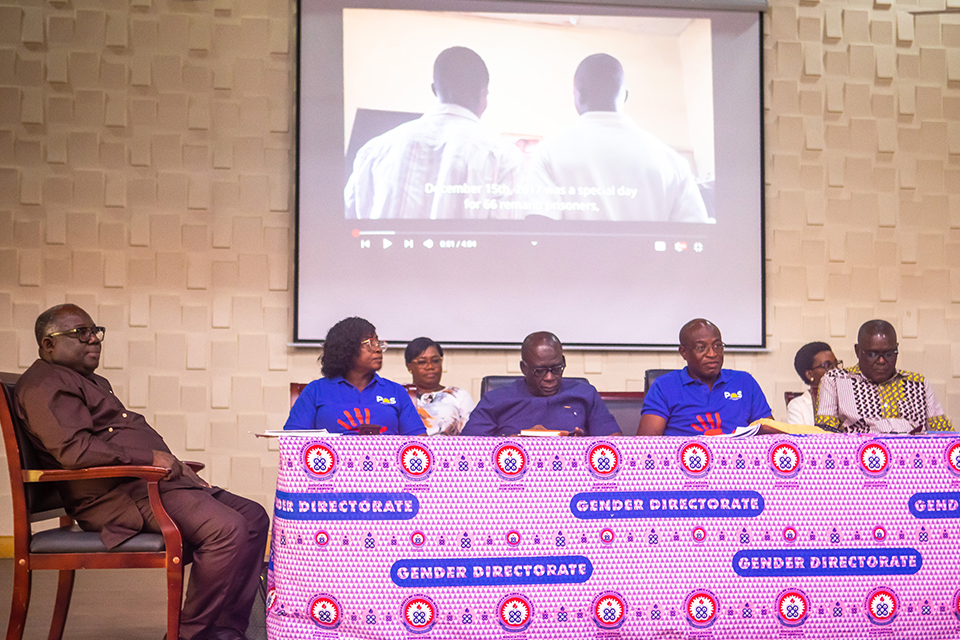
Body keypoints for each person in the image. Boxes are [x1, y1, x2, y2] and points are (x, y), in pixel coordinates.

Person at [14, 304, 268, 640]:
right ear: (48, 344)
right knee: (227, 529)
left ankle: (224, 630)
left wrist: (179, 470)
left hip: (146, 484)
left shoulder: (84, 380)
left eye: (95, 331)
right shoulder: (45, 385)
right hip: (114, 498)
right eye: (80, 333)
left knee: (253, 516)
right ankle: (189, 635)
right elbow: (75, 452)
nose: (94, 339)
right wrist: (149, 457)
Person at [526, 53, 710, 222]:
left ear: (577, 94)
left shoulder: (549, 152)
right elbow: (696, 236)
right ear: (625, 96)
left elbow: (538, 229)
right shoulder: (673, 161)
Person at [344, 46, 523, 220]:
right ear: (484, 93)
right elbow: (505, 241)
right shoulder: (505, 156)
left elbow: (346, 226)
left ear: (434, 89)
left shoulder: (374, 150)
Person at [461, 332, 621, 437]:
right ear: (524, 368)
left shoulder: (585, 394)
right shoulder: (495, 400)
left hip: (573, 478)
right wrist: (508, 444)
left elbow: (616, 445)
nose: (550, 377)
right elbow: (468, 450)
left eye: (557, 368)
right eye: (540, 371)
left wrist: (583, 446)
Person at [285, 317, 426, 435]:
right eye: (370, 343)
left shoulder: (396, 391)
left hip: (386, 467)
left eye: (378, 343)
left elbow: (420, 445)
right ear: (347, 348)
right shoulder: (315, 391)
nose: (378, 349)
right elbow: (293, 443)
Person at [638, 319, 773, 436]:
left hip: (737, 461)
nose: (712, 354)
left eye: (717, 346)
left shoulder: (744, 381)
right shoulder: (664, 386)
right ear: (683, 352)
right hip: (682, 461)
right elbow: (647, 443)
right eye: (701, 348)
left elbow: (770, 434)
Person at [816, 320, 952, 434]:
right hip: (859, 459)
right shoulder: (835, 380)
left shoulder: (918, 383)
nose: (881, 361)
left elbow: (944, 434)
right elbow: (826, 434)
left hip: (913, 458)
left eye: (888, 354)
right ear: (858, 351)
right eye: (872, 354)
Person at [405, 337, 474, 436]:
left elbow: (471, 434)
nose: (430, 367)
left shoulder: (459, 396)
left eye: (435, 361)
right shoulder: (401, 394)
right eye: (422, 362)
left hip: (450, 450)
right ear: (409, 366)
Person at [786, 342, 839, 425]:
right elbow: (799, 437)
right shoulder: (798, 406)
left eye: (836, 364)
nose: (836, 371)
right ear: (809, 374)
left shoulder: (849, 398)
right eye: (827, 366)